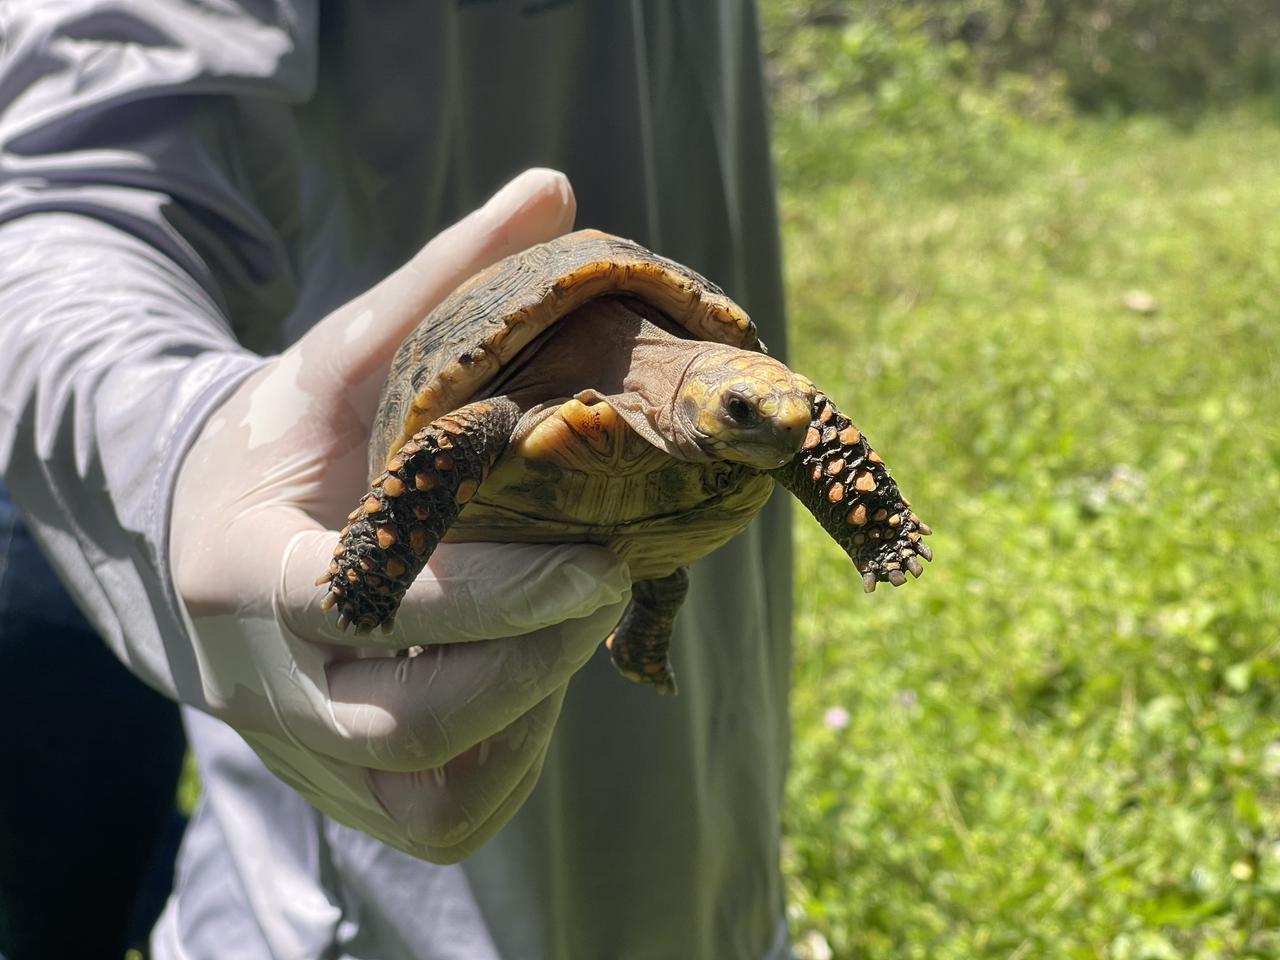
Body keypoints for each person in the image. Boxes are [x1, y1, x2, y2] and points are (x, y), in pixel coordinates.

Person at [0, 3, 794, 957]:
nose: (786, 426)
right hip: (357, 884)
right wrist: (179, 447)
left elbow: (783, 410)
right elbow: (63, 180)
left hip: (710, 811)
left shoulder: (740, 398)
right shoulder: (498, 413)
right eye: (757, 415)